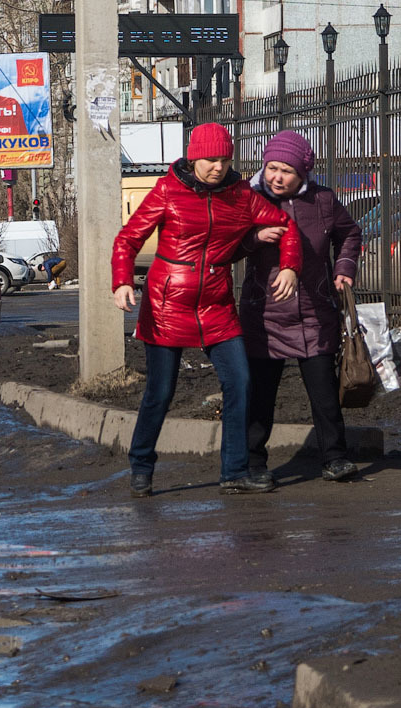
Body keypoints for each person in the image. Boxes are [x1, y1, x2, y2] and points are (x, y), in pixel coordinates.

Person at [111, 122, 302, 498]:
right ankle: (142, 466)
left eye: (225, 159)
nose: (218, 166)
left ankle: (234, 471)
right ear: (195, 157)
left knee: (240, 382)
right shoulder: (168, 190)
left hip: (216, 303)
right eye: (211, 159)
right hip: (167, 302)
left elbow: (286, 225)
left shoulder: (242, 195)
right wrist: (121, 281)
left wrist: (291, 265)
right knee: (160, 391)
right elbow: (128, 238)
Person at [238, 130, 362, 485]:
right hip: (265, 315)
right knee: (260, 397)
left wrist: (344, 270)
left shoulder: (323, 201)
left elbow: (350, 234)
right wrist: (254, 238)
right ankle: (254, 464)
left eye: (286, 171)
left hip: (314, 311)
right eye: (272, 168)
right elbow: (227, 242)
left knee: (325, 394)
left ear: (303, 173)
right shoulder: (250, 198)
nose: (277, 177)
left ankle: (335, 459)